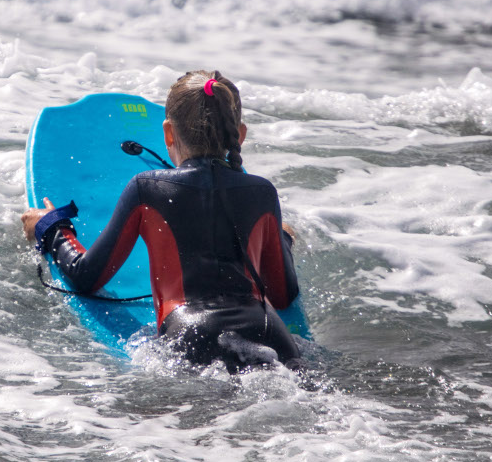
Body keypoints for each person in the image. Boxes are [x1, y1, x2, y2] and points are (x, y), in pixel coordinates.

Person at [21, 70, 303, 373]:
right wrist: (282, 238)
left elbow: (87, 276)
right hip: (271, 335)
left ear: (168, 133)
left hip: (191, 338)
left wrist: (51, 228)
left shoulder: (148, 188)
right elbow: (283, 294)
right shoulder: (262, 192)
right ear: (241, 134)